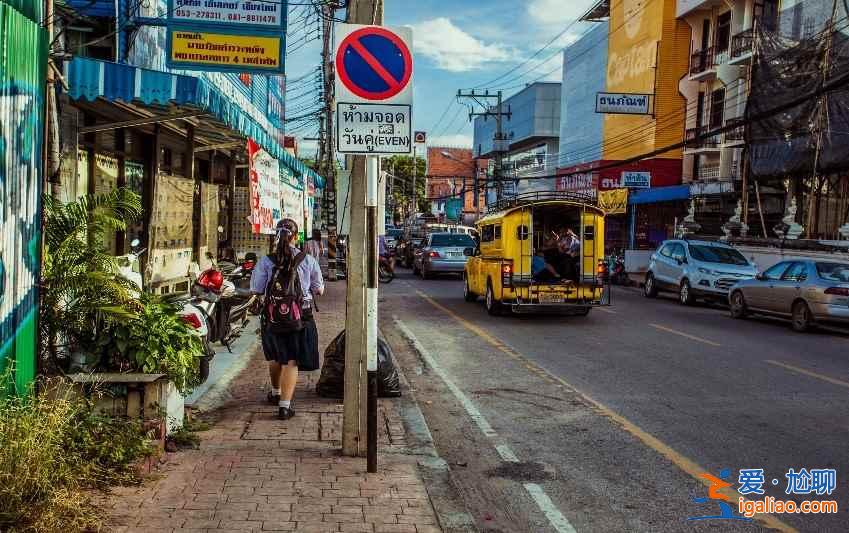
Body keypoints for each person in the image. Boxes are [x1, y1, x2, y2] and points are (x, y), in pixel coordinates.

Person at [251, 218, 325, 420]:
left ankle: (276, 393)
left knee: (276, 356)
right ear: (296, 236)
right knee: (291, 360)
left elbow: (256, 289)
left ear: (277, 235)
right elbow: (319, 289)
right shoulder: (308, 260)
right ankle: (284, 406)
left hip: (273, 316)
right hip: (301, 316)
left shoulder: (266, 261)